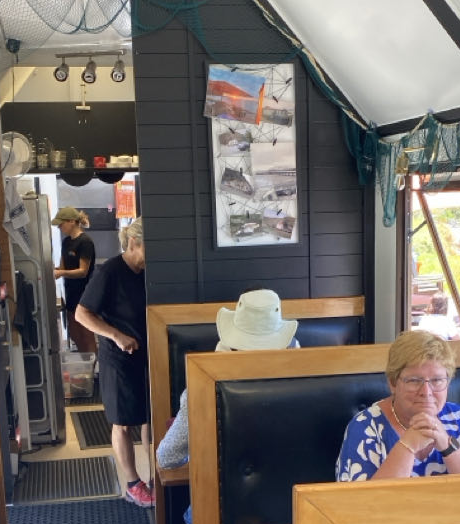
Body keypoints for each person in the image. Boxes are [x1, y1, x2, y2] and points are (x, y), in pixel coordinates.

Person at [157, 289, 299, 473]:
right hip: (300, 488)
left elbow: (167, 457)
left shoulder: (202, 391)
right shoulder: (309, 387)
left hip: (226, 489)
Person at [336, 329, 460, 480]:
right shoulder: (365, 427)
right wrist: (408, 445)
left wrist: (447, 445)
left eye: (437, 380)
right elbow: (361, 499)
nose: (426, 392)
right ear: (393, 383)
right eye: (414, 380)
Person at [75, 218, 153, 507]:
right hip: (118, 357)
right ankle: (133, 484)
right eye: (149, 247)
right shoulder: (109, 272)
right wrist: (116, 335)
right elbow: (82, 314)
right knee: (122, 422)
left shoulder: (147, 272)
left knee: (150, 417)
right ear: (133, 243)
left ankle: (154, 476)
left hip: (147, 354)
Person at [51, 206, 98, 353]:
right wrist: (54, 270)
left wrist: (61, 273)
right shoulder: (66, 242)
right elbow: (62, 267)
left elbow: (83, 271)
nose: (59, 227)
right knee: (74, 332)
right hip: (71, 292)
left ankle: (94, 363)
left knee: (86, 333)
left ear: (71, 221)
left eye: (61, 224)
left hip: (84, 293)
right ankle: (86, 361)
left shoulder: (85, 242)